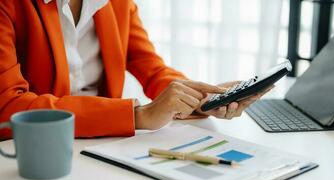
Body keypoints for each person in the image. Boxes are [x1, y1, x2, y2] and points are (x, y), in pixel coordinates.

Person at [0, 0, 271, 140]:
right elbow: (8, 106)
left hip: (100, 146)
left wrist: (199, 98)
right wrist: (137, 115)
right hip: (32, 154)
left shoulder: (118, 3)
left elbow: (151, 67)